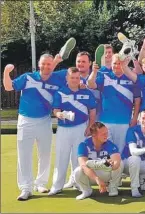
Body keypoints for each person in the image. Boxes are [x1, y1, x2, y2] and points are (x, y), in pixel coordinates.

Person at [3, 54, 66, 201]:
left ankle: (41, 183)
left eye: (49, 64)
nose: (46, 67)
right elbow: (8, 86)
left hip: (45, 120)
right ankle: (26, 188)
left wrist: (56, 61)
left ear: (53, 65)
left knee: (45, 154)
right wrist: (6, 72)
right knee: (24, 155)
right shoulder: (28, 77)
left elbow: (76, 76)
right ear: (39, 64)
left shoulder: (58, 78)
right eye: (43, 64)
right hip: (25, 121)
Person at [48, 67, 97, 195]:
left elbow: (92, 111)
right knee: (61, 157)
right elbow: (56, 110)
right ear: (67, 78)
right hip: (63, 129)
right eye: (72, 78)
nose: (75, 80)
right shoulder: (60, 93)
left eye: (77, 78)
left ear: (80, 78)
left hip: (81, 128)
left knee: (79, 157)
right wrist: (60, 115)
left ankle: (78, 183)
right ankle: (57, 186)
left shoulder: (87, 93)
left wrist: (90, 126)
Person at [87, 54, 141, 153]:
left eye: (119, 63)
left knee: (120, 152)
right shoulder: (104, 76)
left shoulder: (131, 78)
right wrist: (94, 71)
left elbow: (137, 100)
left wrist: (135, 117)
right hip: (105, 122)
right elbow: (90, 84)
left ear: (124, 64)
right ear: (111, 64)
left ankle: (118, 168)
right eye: (114, 63)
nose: (116, 66)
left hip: (124, 122)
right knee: (105, 152)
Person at [73, 122, 124, 200]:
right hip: (91, 176)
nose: (106, 135)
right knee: (78, 171)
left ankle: (112, 187)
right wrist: (97, 179)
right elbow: (83, 165)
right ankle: (86, 190)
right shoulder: (83, 145)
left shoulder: (110, 144)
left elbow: (116, 162)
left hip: (105, 173)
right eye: (103, 134)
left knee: (121, 163)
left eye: (106, 133)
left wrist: (106, 165)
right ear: (94, 135)